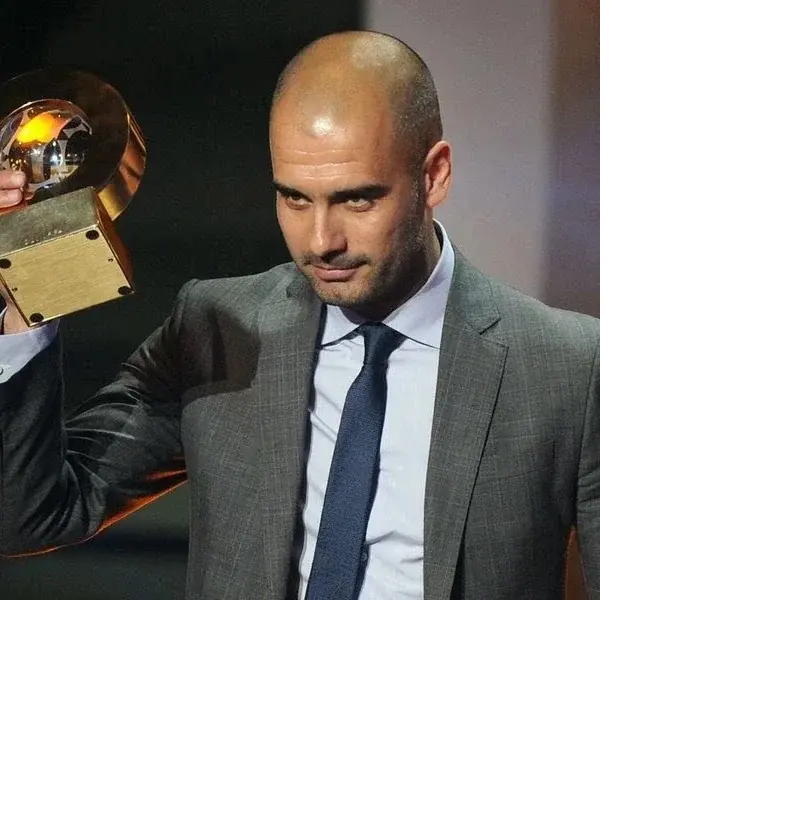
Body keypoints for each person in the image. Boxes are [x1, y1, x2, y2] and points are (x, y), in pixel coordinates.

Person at [0, 30, 599, 599]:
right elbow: (30, 517)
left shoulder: (569, 367)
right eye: (293, 197)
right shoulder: (215, 330)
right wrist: (21, 278)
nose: (320, 241)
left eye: (356, 199)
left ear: (433, 174)